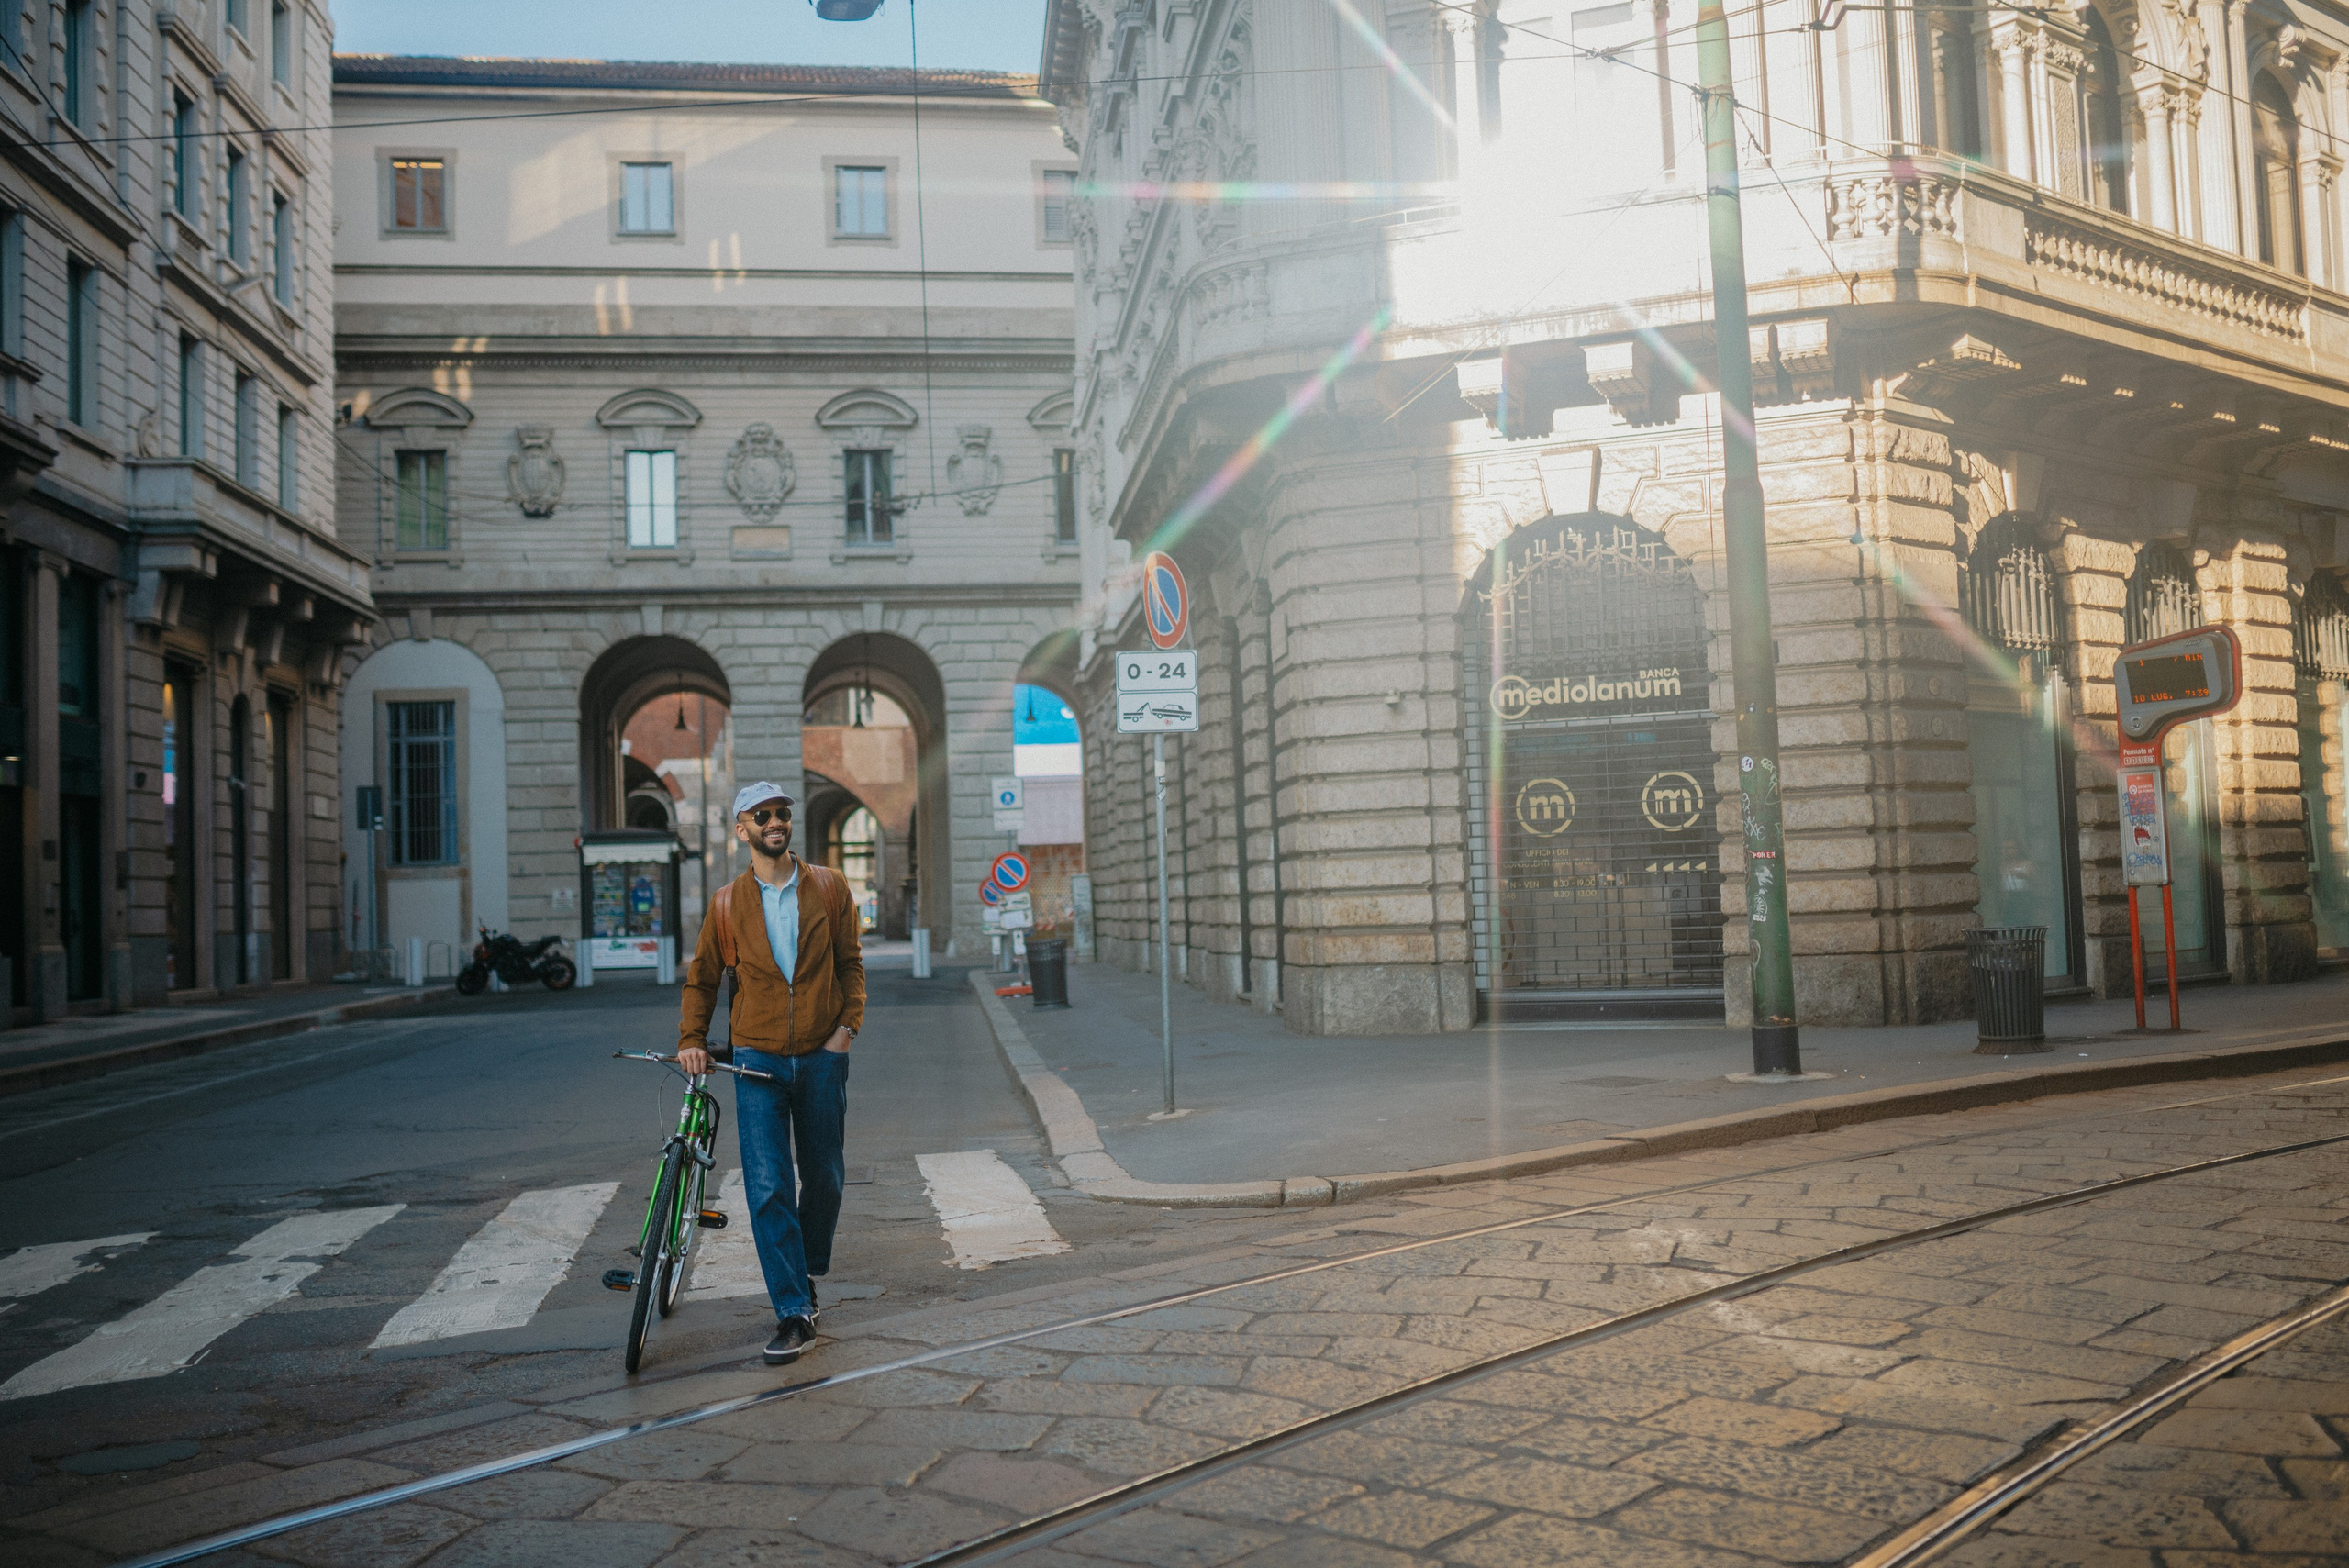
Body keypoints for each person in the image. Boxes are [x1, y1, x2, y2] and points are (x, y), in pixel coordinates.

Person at [679, 782, 863, 1366]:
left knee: (826, 1178)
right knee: (767, 1186)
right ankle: (791, 1310)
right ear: (743, 830)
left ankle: (804, 1273)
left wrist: (845, 1031)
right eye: (763, 816)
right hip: (756, 1057)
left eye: (782, 813)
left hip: (820, 1054)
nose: (776, 822)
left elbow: (851, 964)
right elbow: (702, 978)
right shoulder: (727, 905)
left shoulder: (829, 888)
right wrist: (691, 1040)